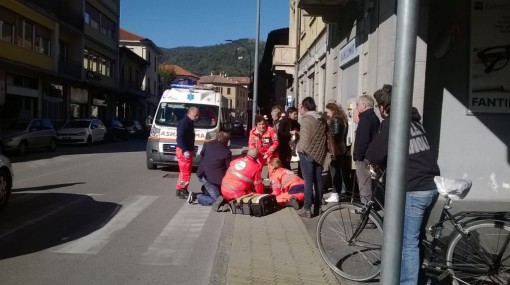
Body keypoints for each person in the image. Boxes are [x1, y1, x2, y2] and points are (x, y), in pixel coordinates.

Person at [365, 84, 440, 285]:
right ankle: (421, 278)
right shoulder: (415, 122)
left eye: (379, 106)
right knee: (417, 238)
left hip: (414, 189)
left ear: (384, 107)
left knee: (408, 243)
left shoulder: (393, 123)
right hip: (430, 186)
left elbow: (374, 153)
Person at [296, 97, 329, 218]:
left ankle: (307, 208)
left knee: (308, 182)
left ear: (304, 106)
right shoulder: (321, 119)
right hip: (318, 153)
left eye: (301, 106)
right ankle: (318, 207)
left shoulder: (306, 119)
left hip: (306, 153)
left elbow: (304, 139)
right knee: (318, 180)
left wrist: (299, 150)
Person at [188, 131, 232, 206]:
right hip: (210, 179)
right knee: (217, 201)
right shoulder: (227, 152)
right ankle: (196, 196)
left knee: (216, 193)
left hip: (201, 173)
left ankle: (206, 190)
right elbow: (228, 168)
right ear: (228, 141)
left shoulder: (208, 144)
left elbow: (202, 154)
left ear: (218, 138)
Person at [214, 147, 265, 212]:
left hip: (224, 187)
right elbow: (258, 186)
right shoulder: (255, 168)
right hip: (236, 193)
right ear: (257, 157)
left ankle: (225, 199)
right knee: (251, 195)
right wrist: (260, 195)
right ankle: (231, 205)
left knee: (241, 186)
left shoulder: (236, 161)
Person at [353, 95, 380, 204]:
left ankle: (366, 215)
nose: (357, 107)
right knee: (368, 187)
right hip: (370, 157)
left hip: (364, 159)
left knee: (365, 189)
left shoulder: (365, 119)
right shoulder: (374, 118)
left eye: (358, 104)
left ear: (364, 105)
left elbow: (363, 141)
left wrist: (358, 157)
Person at [324, 102, 349, 203]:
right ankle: (339, 193)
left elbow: (335, 135)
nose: (327, 114)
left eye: (328, 112)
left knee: (335, 171)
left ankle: (336, 193)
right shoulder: (342, 119)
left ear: (333, 111)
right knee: (339, 171)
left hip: (336, 149)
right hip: (341, 147)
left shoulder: (336, 120)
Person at [175, 106, 200, 199]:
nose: (197, 117)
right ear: (190, 113)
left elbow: (189, 138)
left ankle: (181, 188)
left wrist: (191, 150)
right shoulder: (185, 122)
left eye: (198, 115)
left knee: (185, 171)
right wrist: (185, 150)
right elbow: (180, 137)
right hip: (183, 150)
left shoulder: (190, 122)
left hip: (186, 150)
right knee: (185, 172)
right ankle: (182, 190)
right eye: (196, 114)